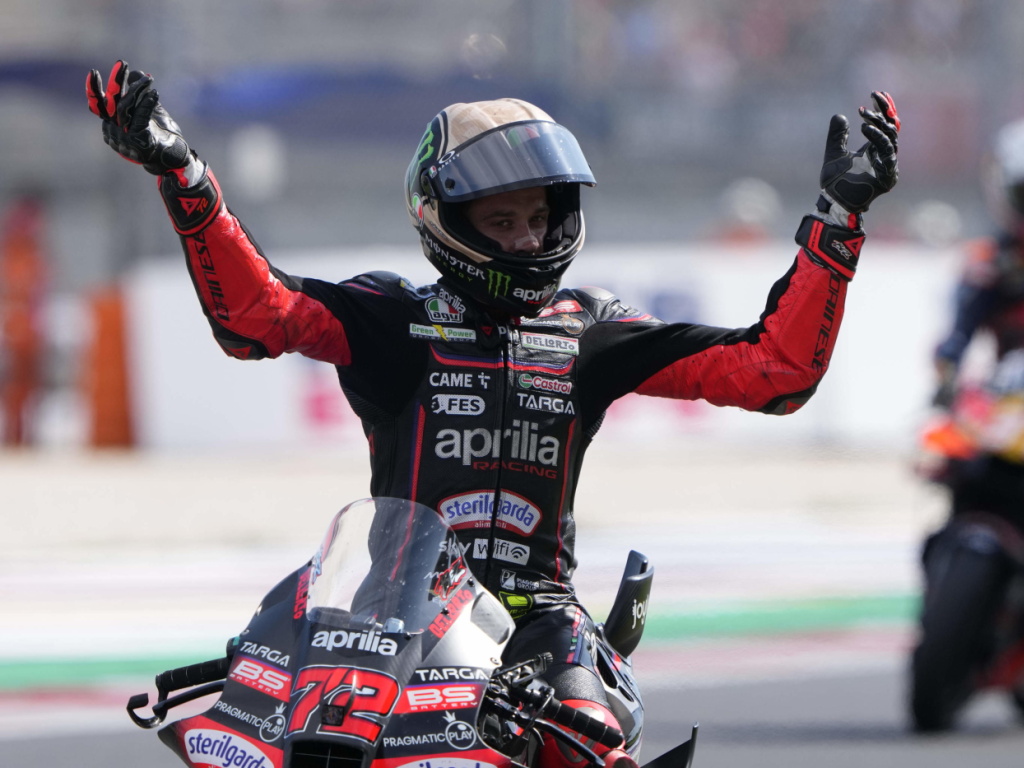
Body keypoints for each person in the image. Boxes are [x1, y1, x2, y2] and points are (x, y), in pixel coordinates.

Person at [86, 60, 899, 767]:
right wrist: (183, 174)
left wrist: (839, 221)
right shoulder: (391, 318)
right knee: (255, 730)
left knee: (589, 737)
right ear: (445, 219)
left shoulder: (591, 331)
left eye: (538, 218)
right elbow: (257, 316)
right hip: (388, 617)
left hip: (537, 619)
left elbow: (773, 372)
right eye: (502, 221)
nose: (527, 239)